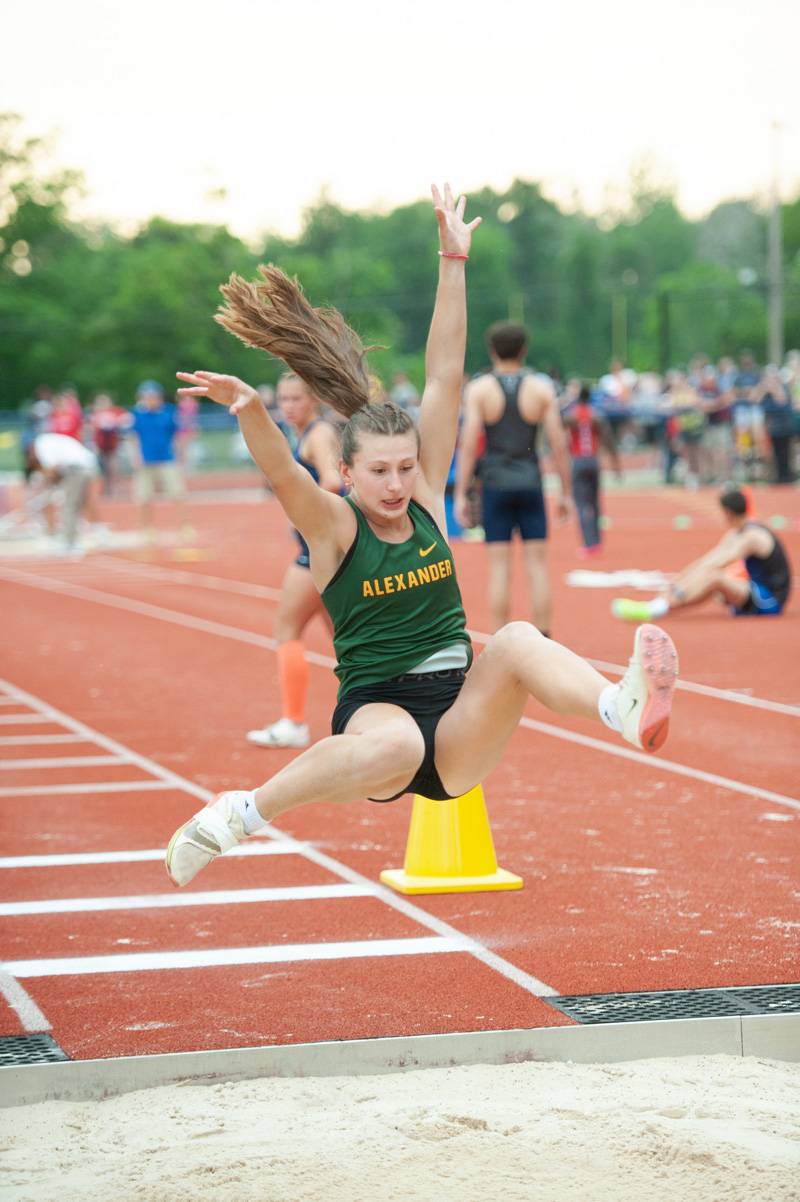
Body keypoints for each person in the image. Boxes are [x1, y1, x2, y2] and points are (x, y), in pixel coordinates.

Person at [165, 184, 678, 889]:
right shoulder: (335, 526)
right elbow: (285, 473)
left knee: (521, 638)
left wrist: (452, 259)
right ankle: (240, 814)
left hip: (459, 723)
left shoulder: (428, 499)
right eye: (380, 471)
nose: (397, 483)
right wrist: (253, 410)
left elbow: (444, 373)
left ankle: (617, 707)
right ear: (347, 472)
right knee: (401, 740)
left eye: (407, 467)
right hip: (379, 717)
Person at [453, 322, 572, 637]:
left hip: (495, 484)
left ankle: (500, 639)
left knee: (500, 568)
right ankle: (544, 635)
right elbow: (559, 443)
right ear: (524, 350)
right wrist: (566, 492)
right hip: (531, 483)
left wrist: (462, 493)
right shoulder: (540, 389)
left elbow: (467, 444)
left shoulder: (479, 390)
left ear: (492, 350)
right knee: (536, 565)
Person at [246, 371, 343, 748]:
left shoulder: (317, 434)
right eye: (283, 399)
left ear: (314, 399)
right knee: (344, 640)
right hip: (325, 548)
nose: (288, 407)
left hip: (318, 551)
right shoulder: (308, 433)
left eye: (295, 399)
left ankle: (293, 721)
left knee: (287, 630)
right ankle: (375, 710)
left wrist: (311, 515)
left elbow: (334, 482)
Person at [611, 487, 791, 622]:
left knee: (714, 577)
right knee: (709, 575)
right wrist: (675, 583)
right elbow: (706, 560)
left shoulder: (753, 536)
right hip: (753, 590)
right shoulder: (736, 533)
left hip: (770, 599)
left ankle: (659, 608)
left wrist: (680, 591)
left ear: (727, 513)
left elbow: (720, 563)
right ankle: (661, 603)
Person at [125, 380, 192, 542]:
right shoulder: (137, 414)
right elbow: (133, 437)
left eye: (153, 396)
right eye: (147, 397)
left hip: (167, 458)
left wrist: (181, 455)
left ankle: (185, 526)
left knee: (177, 493)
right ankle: (146, 527)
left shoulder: (168, 413)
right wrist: (135, 457)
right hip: (146, 460)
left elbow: (176, 436)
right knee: (144, 496)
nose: (150, 399)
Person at [563, 384, 621, 555]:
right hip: (594, 460)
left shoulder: (571, 415)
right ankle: (597, 541)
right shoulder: (597, 415)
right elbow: (609, 440)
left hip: (578, 460)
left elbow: (559, 432)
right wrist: (616, 465)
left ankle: (588, 544)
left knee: (581, 503)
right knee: (595, 502)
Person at [26, 431, 100, 554]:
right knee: (79, 503)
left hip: (77, 470)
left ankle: (69, 543)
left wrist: (46, 488)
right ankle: (94, 533)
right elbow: (57, 470)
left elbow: (51, 470)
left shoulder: (42, 445)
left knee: (69, 506)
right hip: (86, 467)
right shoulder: (49, 440)